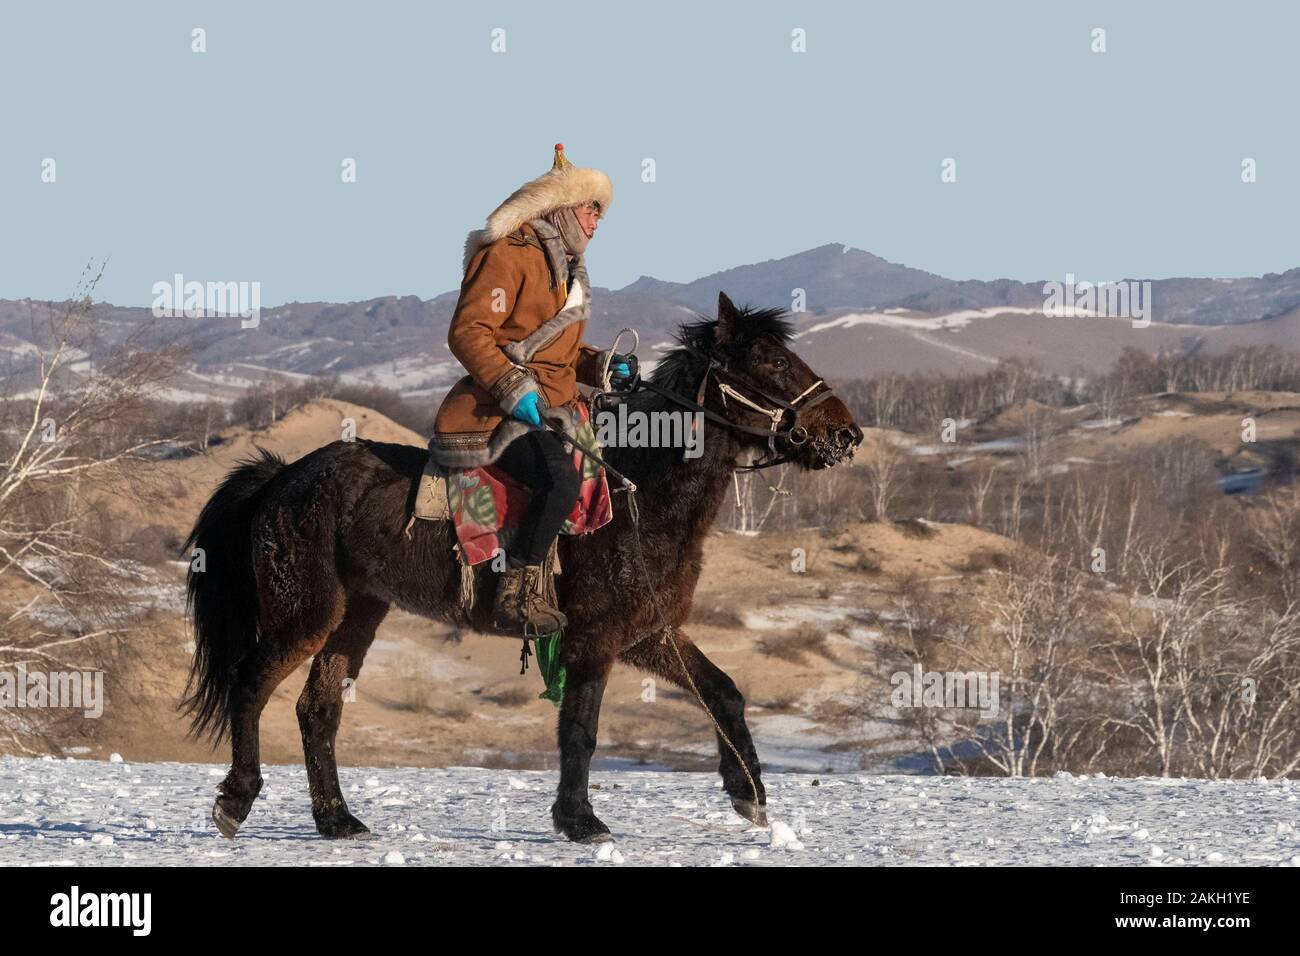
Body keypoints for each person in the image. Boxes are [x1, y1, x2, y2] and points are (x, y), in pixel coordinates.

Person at [430, 144, 630, 633]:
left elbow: (554, 352)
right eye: (591, 208)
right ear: (559, 207)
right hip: (493, 410)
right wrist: (511, 386)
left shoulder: (567, 271)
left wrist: (603, 365)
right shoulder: (506, 255)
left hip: (553, 405)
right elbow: (468, 333)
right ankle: (513, 595)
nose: (597, 221)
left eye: (599, 212)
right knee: (559, 479)